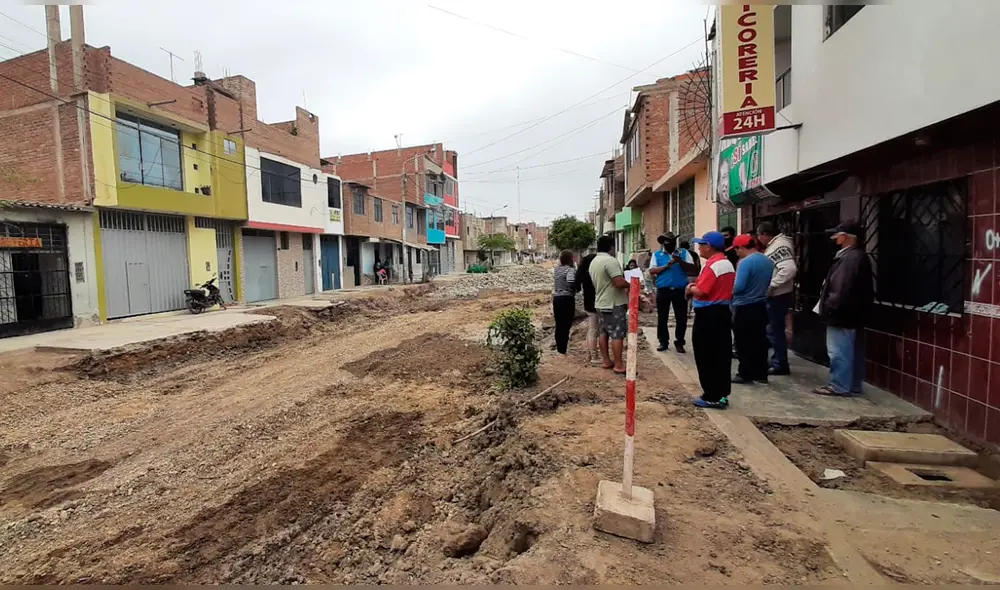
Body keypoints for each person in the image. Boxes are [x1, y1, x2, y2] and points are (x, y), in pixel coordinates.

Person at [813, 220, 874, 397]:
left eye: (837, 235)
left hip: (842, 314)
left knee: (839, 351)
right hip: (852, 313)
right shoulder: (855, 256)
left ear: (845, 237)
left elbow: (841, 287)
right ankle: (852, 384)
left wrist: (830, 308)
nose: (834, 238)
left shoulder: (850, 258)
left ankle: (838, 385)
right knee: (851, 350)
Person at [686, 231, 736, 408]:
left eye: (701, 244)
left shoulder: (715, 265)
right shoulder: (727, 263)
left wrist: (690, 288)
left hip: (709, 314)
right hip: (722, 312)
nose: (699, 247)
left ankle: (712, 395)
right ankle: (720, 393)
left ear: (709, 247)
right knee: (721, 355)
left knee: (706, 354)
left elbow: (701, 291)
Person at [730, 235, 775, 385]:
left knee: (743, 342)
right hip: (761, 304)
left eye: (736, 250)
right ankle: (761, 374)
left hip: (744, 306)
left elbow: (739, 286)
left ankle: (745, 373)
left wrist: (728, 291)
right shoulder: (767, 261)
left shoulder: (745, 263)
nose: (736, 253)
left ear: (740, 248)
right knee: (760, 341)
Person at [756, 221, 798, 376]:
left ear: (765, 234)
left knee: (775, 331)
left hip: (778, 295)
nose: (759, 239)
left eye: (759, 235)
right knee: (773, 330)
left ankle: (780, 363)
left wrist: (772, 286)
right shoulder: (777, 244)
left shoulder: (780, 246)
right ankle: (776, 360)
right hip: (777, 295)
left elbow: (789, 269)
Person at [648, 232, 696, 353]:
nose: (669, 244)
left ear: (675, 242)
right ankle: (663, 342)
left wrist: (680, 261)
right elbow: (652, 270)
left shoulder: (684, 253)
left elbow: (693, 269)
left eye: (671, 242)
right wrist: (667, 265)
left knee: (681, 317)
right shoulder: (657, 255)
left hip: (680, 289)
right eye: (666, 242)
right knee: (662, 317)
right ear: (663, 243)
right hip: (663, 290)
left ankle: (680, 342)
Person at [589, 235, 630, 374]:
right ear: (612, 247)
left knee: (603, 332)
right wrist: (632, 283)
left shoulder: (594, 261)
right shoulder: (610, 261)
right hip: (613, 303)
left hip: (600, 302)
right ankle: (618, 365)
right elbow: (618, 282)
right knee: (617, 334)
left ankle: (606, 361)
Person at [551, 250, 577, 355]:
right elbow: (571, 284)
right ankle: (563, 349)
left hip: (557, 299)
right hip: (567, 299)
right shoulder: (570, 270)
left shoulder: (557, 270)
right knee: (566, 324)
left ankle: (559, 348)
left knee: (559, 324)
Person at [575, 252, 599, 363]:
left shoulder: (583, 273)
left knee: (592, 330)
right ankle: (594, 356)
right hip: (596, 303)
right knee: (595, 331)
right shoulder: (594, 273)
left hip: (588, 303)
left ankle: (590, 355)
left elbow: (577, 288)